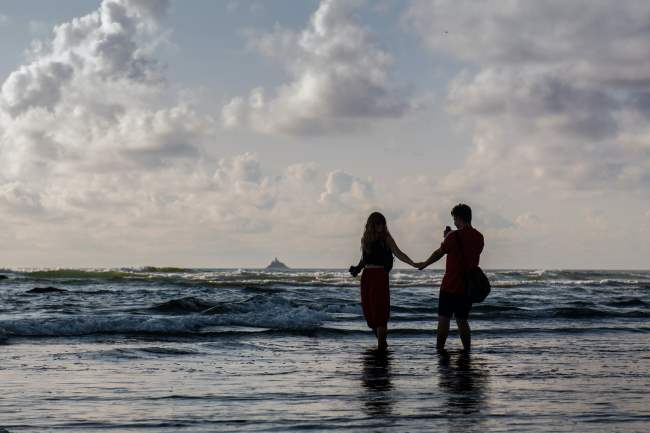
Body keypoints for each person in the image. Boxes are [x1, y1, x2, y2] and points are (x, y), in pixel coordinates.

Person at [416, 204, 484, 352]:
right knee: (462, 321)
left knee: (443, 319)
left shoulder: (453, 236)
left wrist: (425, 264)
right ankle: (467, 351)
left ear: (459, 218)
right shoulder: (479, 237)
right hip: (467, 287)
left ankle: (439, 350)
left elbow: (439, 252)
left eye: (454, 219)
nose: (454, 222)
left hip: (450, 285)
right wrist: (450, 236)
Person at [350, 212, 417, 350]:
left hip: (380, 276)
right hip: (367, 276)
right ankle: (382, 344)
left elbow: (398, 253)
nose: (381, 226)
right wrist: (357, 268)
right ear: (372, 225)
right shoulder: (365, 239)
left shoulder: (386, 239)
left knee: (380, 312)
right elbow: (364, 258)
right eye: (378, 223)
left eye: (383, 223)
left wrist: (414, 264)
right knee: (369, 312)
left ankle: (382, 346)